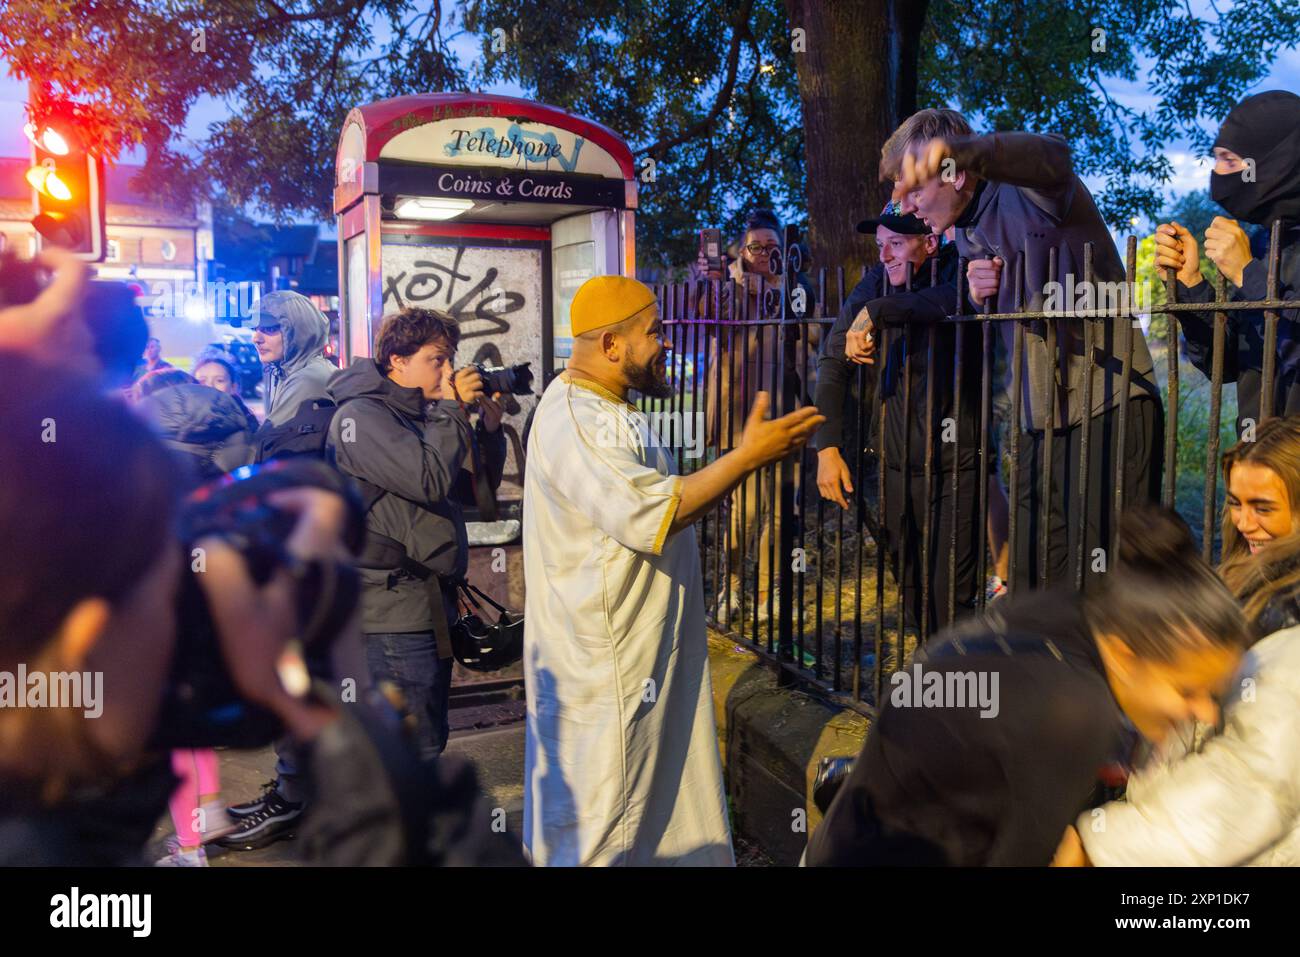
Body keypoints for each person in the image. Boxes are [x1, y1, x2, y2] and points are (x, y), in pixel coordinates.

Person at [523, 274, 824, 866]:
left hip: (640, 664)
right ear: (611, 345)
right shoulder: (579, 421)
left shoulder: (605, 408)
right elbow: (651, 514)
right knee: (604, 833)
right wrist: (747, 457)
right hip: (607, 676)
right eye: (654, 332)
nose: (666, 342)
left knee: (655, 822)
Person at [805, 506, 1249, 866]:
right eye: (1188, 691)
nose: (1207, 713)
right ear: (1128, 654)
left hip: (842, 837)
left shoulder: (1068, 611)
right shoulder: (1076, 711)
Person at [890, 108, 1163, 591]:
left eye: (915, 187)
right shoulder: (967, 228)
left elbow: (1056, 156)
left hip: (1110, 403)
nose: (907, 207)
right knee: (1036, 574)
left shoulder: (1033, 191)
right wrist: (976, 294)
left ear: (954, 172)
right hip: (1039, 420)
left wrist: (969, 149)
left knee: (1111, 578)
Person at [1058, 419, 1300, 867]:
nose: (1245, 523)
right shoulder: (1243, 582)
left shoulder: (1289, 619)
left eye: (1263, 508)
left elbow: (1251, 776)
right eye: (1235, 504)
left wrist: (1104, 847)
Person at [325, 306, 508, 760]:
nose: (448, 371)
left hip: (426, 606)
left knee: (427, 737)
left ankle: (412, 826)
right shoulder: (362, 418)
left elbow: (470, 493)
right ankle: (402, 829)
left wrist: (487, 430)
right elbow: (424, 477)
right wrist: (451, 409)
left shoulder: (420, 414)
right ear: (397, 360)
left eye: (450, 360)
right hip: (390, 613)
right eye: (437, 359)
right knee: (410, 749)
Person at [816, 204, 1009, 631]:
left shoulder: (958, 269)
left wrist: (878, 312)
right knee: (912, 594)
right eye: (880, 244)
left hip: (957, 466)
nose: (884, 255)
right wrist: (826, 447)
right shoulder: (877, 281)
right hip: (895, 464)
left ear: (930, 241)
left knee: (951, 602)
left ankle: (955, 688)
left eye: (896, 244)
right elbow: (832, 362)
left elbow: (952, 300)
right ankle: (932, 679)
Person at [1155, 90, 1300, 435]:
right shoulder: (1264, 242)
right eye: (1216, 159)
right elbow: (1226, 365)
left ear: (1276, 162)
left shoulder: (1252, 257)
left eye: (1230, 161)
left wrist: (1248, 275)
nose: (1218, 173)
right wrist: (1192, 286)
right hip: (1258, 464)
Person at [707, 209, 818, 620]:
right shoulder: (728, 289)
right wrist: (724, 279)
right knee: (745, 509)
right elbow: (710, 317)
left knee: (780, 512)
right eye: (755, 247)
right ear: (741, 250)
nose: (763, 254)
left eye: (772, 247)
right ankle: (732, 588)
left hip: (783, 410)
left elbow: (813, 337)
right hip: (741, 416)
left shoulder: (796, 290)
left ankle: (771, 595)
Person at [252, 289, 336, 427]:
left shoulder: (308, 379)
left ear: (299, 332)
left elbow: (269, 441)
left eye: (270, 329)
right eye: (254, 329)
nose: (256, 339)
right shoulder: (289, 371)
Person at [195, 349, 262, 433]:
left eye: (219, 380)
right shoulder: (181, 421)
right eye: (202, 381)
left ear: (233, 387)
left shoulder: (246, 424)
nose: (210, 385)